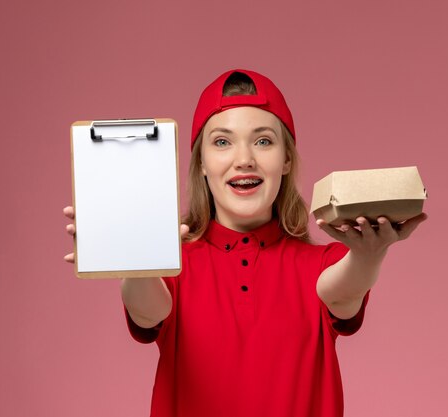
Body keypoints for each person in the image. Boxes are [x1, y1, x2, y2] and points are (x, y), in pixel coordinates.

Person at [63, 69, 428, 417]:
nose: (244, 160)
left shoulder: (323, 263)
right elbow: (148, 310)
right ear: (202, 163)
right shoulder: (174, 266)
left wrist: (368, 254)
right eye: (222, 142)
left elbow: (342, 294)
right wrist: (136, 259)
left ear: (285, 160)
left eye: (263, 141)